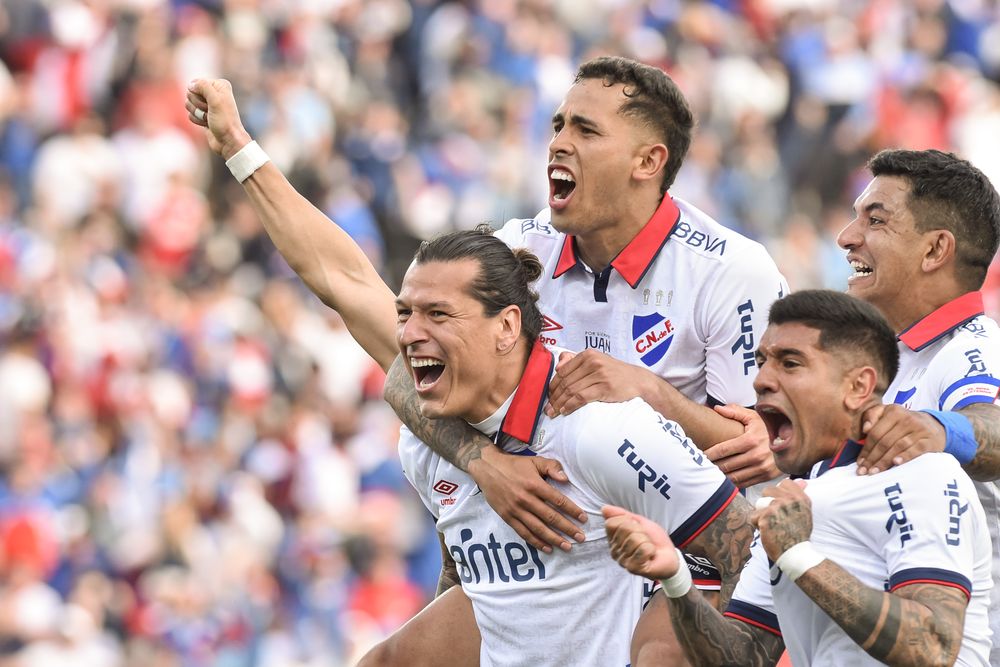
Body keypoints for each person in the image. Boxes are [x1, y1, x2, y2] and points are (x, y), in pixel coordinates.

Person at [185, 55, 786, 664]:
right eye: (557, 125)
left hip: (684, 549)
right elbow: (378, 327)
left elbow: (756, 465)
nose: (558, 143)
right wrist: (483, 462)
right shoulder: (521, 251)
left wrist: (653, 396)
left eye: (585, 130)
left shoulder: (730, 272)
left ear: (648, 161)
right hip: (555, 528)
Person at [389, 226, 754, 664]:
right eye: (404, 313)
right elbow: (462, 570)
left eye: (438, 314)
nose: (410, 334)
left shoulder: (600, 429)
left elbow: (747, 545)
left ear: (507, 327)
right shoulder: (422, 441)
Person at [717, 147, 1000, 663]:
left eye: (874, 219)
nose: (846, 237)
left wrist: (937, 430)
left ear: (935, 250)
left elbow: (992, 427)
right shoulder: (890, 361)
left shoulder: (973, 345)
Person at [605, 290, 993, 666]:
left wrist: (797, 555)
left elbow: (932, 646)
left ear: (858, 386)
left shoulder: (921, 473)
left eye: (790, 363)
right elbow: (745, 656)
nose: (762, 380)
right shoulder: (794, 501)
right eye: (762, 362)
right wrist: (674, 576)